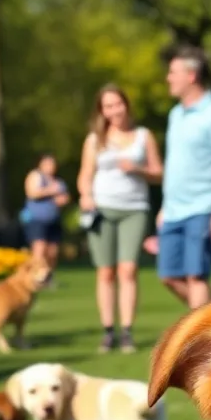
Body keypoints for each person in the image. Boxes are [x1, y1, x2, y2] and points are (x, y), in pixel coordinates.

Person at [77, 84, 162, 353]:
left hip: (134, 208)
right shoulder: (94, 140)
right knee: (105, 272)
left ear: (126, 105)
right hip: (102, 208)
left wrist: (138, 169)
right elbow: (85, 174)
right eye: (108, 106)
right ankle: (107, 331)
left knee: (128, 269)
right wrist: (85, 195)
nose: (114, 110)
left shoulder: (143, 136)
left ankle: (126, 331)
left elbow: (159, 173)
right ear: (101, 111)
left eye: (118, 104)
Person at [158, 46, 211, 310]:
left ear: (191, 76)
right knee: (168, 276)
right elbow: (175, 166)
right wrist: (164, 207)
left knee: (196, 276)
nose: (168, 78)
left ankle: (199, 341)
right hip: (172, 212)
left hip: (203, 208)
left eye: (173, 72)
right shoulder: (175, 115)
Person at [22, 154, 69, 278]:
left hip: (54, 219)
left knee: (53, 252)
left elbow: (65, 198)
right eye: (48, 163)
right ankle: (35, 276)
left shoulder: (58, 182)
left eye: (53, 164)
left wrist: (62, 200)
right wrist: (50, 191)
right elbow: (31, 193)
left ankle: (49, 277)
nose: (51, 167)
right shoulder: (35, 176)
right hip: (37, 219)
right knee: (39, 250)